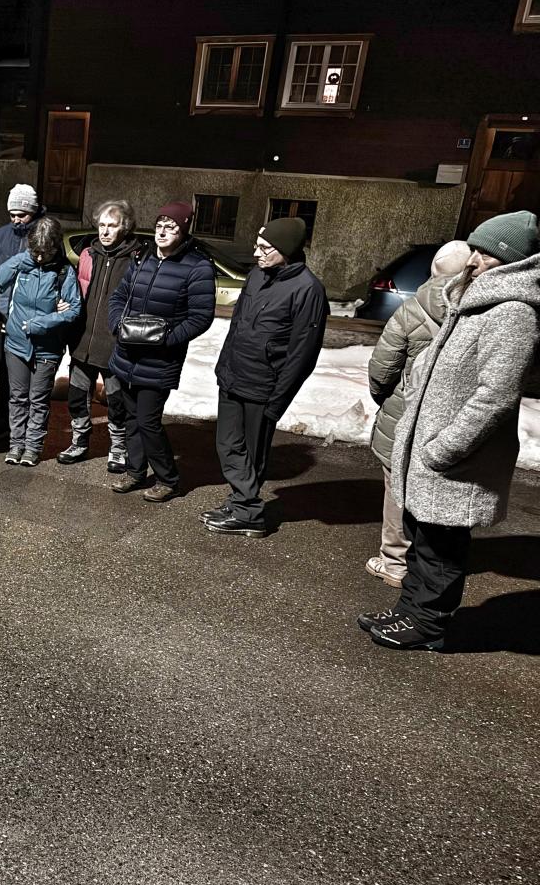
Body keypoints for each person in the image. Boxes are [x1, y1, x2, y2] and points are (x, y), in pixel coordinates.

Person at [364, 211, 540, 651]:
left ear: (513, 262)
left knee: (441, 549)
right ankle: (409, 611)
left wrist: (443, 449)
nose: (473, 259)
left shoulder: (512, 313)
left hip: (456, 461)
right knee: (422, 542)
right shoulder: (473, 302)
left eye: (486, 254)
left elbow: (495, 396)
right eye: (474, 249)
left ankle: (427, 625)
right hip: (430, 450)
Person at [205, 217, 328, 537]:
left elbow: (303, 354)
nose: (256, 253)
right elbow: (237, 325)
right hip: (233, 376)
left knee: (251, 452)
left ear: (285, 249)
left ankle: (249, 512)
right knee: (227, 444)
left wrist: (278, 400)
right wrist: (223, 367)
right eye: (256, 246)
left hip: (263, 387)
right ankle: (239, 501)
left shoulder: (308, 290)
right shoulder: (258, 275)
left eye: (264, 248)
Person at [364, 240, 469, 587]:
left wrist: (387, 400)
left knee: (397, 488)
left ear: (433, 270)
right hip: (451, 420)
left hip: (405, 413)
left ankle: (394, 561)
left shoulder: (411, 310)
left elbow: (382, 369)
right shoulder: (479, 313)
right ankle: (432, 560)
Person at [107, 201, 215, 501]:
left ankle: (168, 479)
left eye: (171, 227)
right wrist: (116, 324)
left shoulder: (197, 267)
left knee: (147, 421)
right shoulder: (142, 257)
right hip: (127, 353)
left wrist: (166, 339)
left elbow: (200, 317)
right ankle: (135, 472)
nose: (163, 232)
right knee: (131, 418)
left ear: (184, 231)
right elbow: (119, 297)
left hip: (160, 360)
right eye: (159, 225)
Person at [61, 199, 143, 470]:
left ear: (125, 227)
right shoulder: (88, 254)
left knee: (116, 401)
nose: (105, 231)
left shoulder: (135, 259)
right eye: (102, 225)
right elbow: (76, 291)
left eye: (112, 226)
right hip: (82, 339)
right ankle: (79, 441)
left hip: (114, 343)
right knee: (77, 396)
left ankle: (118, 448)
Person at [0, 216, 81, 466]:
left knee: (38, 400)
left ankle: (32, 447)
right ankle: (16, 445)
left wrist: (41, 324)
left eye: (46, 253)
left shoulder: (64, 272)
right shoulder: (24, 264)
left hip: (47, 348)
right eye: (36, 252)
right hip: (16, 344)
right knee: (17, 397)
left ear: (56, 248)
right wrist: (22, 259)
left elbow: (73, 310)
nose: (40, 258)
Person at [0, 183, 44, 436]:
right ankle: (3, 418)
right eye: (12, 215)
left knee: (27, 371)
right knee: (2, 368)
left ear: (34, 211)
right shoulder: (0, 235)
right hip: (0, 314)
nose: (17, 220)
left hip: (29, 317)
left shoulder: (45, 233)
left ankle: (26, 425)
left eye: (22, 214)